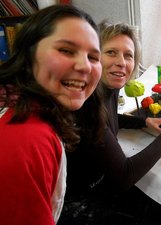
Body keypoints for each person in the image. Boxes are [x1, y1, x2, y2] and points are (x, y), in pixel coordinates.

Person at [58, 21, 161, 225]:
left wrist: (143, 121)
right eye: (111, 52)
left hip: (100, 184)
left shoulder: (106, 88)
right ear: (93, 58)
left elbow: (110, 119)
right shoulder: (86, 104)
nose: (122, 62)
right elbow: (124, 177)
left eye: (128, 55)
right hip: (79, 203)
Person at [0, 5, 105, 225]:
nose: (85, 66)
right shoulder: (28, 139)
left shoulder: (32, 109)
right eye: (66, 50)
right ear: (28, 57)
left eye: (94, 57)